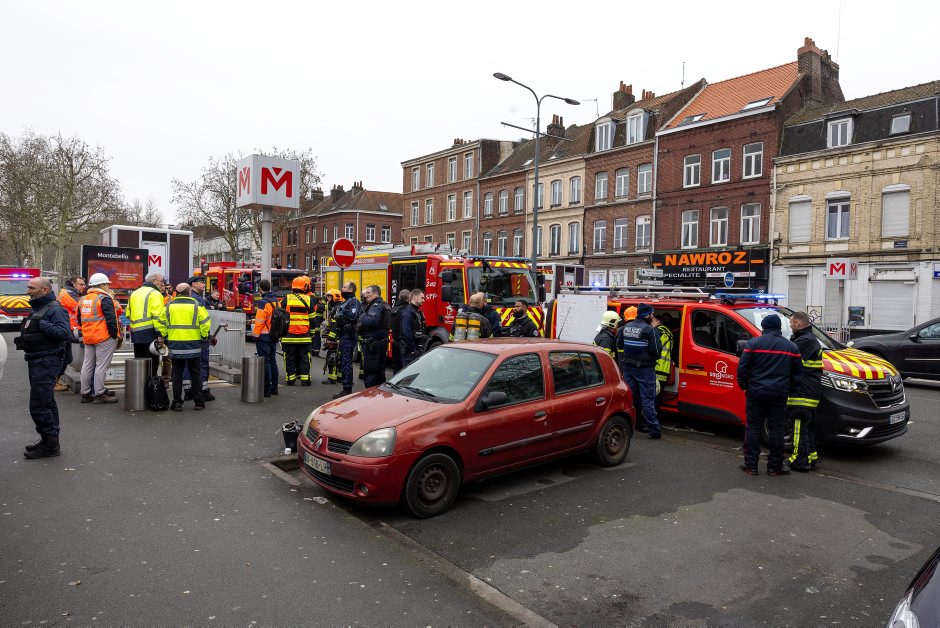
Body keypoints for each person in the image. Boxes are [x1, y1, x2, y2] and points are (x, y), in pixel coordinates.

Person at [736, 314, 802, 476]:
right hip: (779, 394)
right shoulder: (791, 347)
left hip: (756, 392)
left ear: (764, 327)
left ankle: (751, 465)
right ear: (779, 328)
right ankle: (775, 467)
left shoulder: (753, 344)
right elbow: (798, 375)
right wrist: (790, 391)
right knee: (777, 429)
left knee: (753, 428)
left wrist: (745, 386)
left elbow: (742, 368)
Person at [15, 277, 71, 459]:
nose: (28, 291)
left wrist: (40, 324)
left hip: (47, 361)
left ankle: (50, 445)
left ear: (45, 290)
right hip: (37, 360)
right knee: (47, 402)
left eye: (32, 288)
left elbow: (64, 333)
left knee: (40, 404)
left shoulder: (55, 309)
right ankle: (49, 440)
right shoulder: (39, 308)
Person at [619, 304, 663, 439]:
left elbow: (619, 345)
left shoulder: (625, 328)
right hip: (645, 370)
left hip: (628, 368)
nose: (652, 316)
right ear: (647, 315)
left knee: (632, 398)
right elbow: (657, 351)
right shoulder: (650, 330)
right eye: (652, 314)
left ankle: (630, 425)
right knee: (648, 400)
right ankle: (654, 430)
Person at [787, 311, 823, 472]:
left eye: (791, 323)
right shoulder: (809, 339)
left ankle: (798, 460)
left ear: (797, 323)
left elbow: (790, 362)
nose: (790, 326)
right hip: (809, 391)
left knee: (797, 427)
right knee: (807, 428)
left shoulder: (804, 341)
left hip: (802, 392)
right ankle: (811, 458)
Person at [165, 283, 210, 411]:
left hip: (175, 345)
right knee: (195, 373)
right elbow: (205, 323)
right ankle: (199, 402)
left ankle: (177, 403)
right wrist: (204, 336)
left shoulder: (169, 306)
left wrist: (164, 336)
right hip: (194, 345)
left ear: (177, 293)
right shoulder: (197, 305)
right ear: (189, 292)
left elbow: (162, 323)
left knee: (177, 374)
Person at [77, 273, 121, 404]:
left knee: (87, 365)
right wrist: (114, 335)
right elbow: (111, 319)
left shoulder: (83, 299)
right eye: (107, 284)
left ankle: (85, 393)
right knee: (101, 366)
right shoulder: (104, 298)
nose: (108, 287)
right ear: (102, 285)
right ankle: (100, 393)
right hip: (103, 337)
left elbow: (79, 319)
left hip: (88, 336)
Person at [127, 273, 167, 378]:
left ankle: (139, 385)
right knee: (152, 364)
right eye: (161, 281)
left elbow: (128, 314)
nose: (162, 283)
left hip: (136, 333)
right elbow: (158, 316)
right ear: (154, 281)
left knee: (139, 362)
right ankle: (151, 386)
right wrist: (160, 334)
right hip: (151, 333)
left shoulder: (134, 293)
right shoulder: (155, 294)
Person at [182, 276, 214, 401]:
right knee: (201, 364)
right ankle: (203, 391)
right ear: (193, 284)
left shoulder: (180, 301)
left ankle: (188, 391)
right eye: (201, 282)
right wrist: (207, 337)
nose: (204, 285)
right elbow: (204, 322)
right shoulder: (199, 300)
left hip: (183, 338)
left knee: (186, 364)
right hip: (199, 338)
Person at [282, 276, 314, 386]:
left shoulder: (286, 299)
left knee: (289, 358)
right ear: (305, 286)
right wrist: (312, 333)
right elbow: (312, 319)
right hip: (304, 336)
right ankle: (305, 380)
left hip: (288, 336)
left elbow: (281, 317)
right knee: (304, 357)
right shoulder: (309, 299)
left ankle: (290, 380)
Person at [55, 275, 85, 391]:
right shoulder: (69, 294)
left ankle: (55, 381)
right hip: (65, 329)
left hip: (66, 329)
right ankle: (53, 382)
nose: (83, 286)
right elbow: (80, 306)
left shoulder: (68, 292)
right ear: (74, 284)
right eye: (81, 284)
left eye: (84, 284)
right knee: (64, 358)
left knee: (67, 358)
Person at [332, 280, 361, 398]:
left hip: (349, 336)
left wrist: (342, 313)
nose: (342, 289)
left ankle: (347, 389)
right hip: (343, 335)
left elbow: (353, 316)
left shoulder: (354, 301)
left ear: (351, 289)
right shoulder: (346, 302)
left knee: (346, 362)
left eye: (344, 287)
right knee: (343, 361)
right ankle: (345, 386)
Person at [358, 285, 390, 388]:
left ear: (375, 294)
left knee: (371, 373)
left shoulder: (376, 305)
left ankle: (370, 395)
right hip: (380, 342)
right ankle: (378, 394)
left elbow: (371, 321)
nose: (366, 295)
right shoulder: (384, 305)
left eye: (368, 293)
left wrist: (362, 315)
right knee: (380, 373)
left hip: (373, 344)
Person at [252, 279, 279, 397]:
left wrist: (255, 335)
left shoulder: (263, 302)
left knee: (265, 363)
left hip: (264, 337)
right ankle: (274, 388)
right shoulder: (276, 301)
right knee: (273, 361)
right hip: (274, 335)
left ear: (260, 289)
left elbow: (259, 321)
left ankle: (266, 390)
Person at [399, 289, 427, 368]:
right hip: (410, 351)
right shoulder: (408, 312)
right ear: (414, 297)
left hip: (417, 348)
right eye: (422, 298)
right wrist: (413, 350)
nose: (424, 300)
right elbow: (407, 333)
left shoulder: (416, 312)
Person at [653, 311, 675, 396]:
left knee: (653, 395)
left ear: (658, 322)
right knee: (659, 393)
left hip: (657, 367)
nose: (651, 323)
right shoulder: (669, 333)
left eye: (653, 321)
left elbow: (653, 348)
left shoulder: (658, 331)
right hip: (664, 368)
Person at [389, 289, 411, 371]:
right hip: (403, 343)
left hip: (395, 341)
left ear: (399, 297)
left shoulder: (394, 309)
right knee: (405, 367)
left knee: (396, 366)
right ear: (409, 298)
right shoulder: (407, 310)